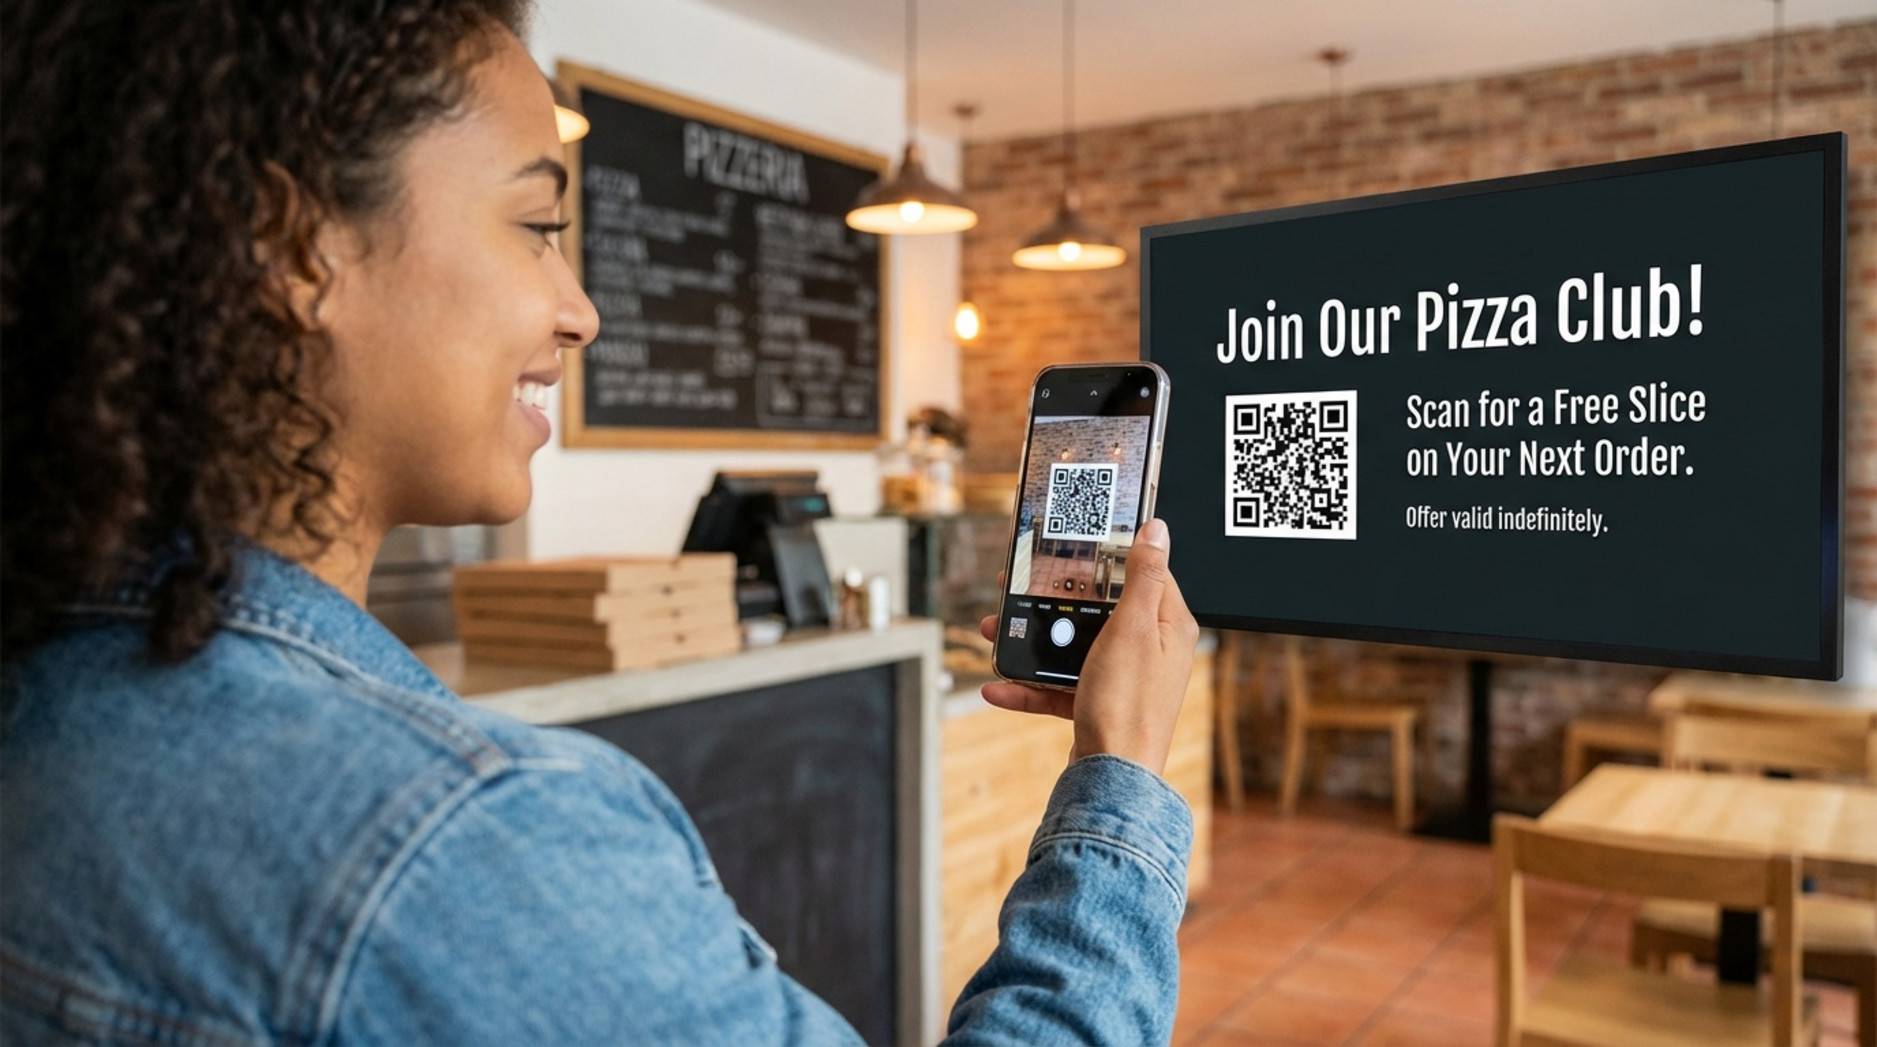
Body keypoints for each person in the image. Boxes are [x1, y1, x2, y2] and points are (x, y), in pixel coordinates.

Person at [0, 1, 1201, 1043]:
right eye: (535, 225)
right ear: (290, 243)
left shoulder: (47, 696)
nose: (579, 312)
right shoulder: (465, 840)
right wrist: (1118, 776)